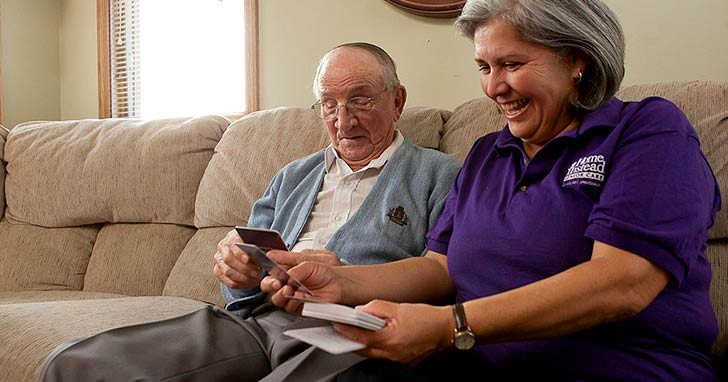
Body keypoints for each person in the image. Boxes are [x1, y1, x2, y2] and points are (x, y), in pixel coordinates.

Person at [266, 1, 722, 380]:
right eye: (484, 67)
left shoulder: (647, 131)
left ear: (577, 60)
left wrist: (451, 325)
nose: (493, 87)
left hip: (621, 369)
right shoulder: (488, 153)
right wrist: (340, 281)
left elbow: (624, 282)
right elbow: (439, 267)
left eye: (512, 64)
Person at [40, 42, 460, 382]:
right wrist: (238, 274)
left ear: (397, 100)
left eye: (360, 100)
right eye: (328, 105)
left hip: (354, 331)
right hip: (258, 322)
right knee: (75, 364)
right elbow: (243, 280)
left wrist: (345, 278)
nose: (343, 120)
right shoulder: (293, 175)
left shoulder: (438, 175)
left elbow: (444, 280)